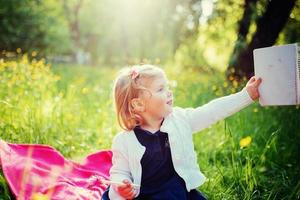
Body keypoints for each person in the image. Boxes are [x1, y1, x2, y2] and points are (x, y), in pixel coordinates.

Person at [103, 64, 261, 200]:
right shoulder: (124, 141)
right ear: (138, 105)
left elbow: (211, 111)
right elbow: (119, 172)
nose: (169, 92)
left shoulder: (180, 120)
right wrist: (122, 185)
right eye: (160, 89)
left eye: (167, 87)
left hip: (179, 193)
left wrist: (245, 96)